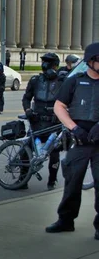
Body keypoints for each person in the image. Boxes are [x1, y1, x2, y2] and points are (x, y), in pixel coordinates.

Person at [45, 42, 99, 240]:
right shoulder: (75, 81)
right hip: (80, 140)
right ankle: (65, 221)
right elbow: (59, 106)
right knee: (72, 183)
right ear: (91, 60)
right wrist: (74, 127)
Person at [22, 53, 64, 190]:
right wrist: (28, 110)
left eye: (49, 63)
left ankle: (52, 181)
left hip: (54, 123)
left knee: (54, 153)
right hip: (37, 121)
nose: (45, 65)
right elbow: (26, 98)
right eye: (44, 62)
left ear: (56, 66)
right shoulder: (35, 80)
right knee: (26, 149)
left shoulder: (62, 81)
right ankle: (22, 179)